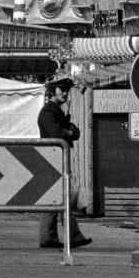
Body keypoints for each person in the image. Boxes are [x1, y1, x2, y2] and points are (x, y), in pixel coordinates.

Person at [37, 77, 92, 249]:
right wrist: (69, 131)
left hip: (57, 158)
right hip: (54, 160)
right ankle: (72, 236)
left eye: (67, 90)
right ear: (53, 92)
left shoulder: (57, 111)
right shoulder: (48, 112)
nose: (66, 93)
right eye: (62, 90)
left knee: (55, 199)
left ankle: (49, 238)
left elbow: (74, 132)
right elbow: (59, 132)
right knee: (62, 198)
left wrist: (70, 130)